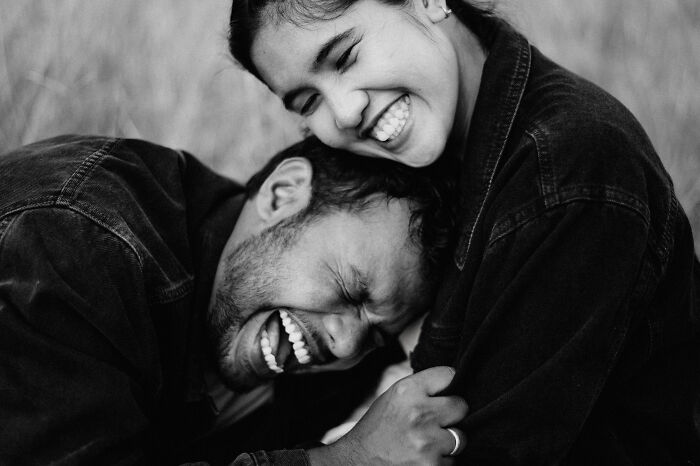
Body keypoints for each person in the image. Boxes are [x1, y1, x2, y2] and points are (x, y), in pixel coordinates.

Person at [228, 0, 700, 463]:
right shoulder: (414, 170)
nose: (345, 113)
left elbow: (481, 449)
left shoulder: (568, 173)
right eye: (309, 101)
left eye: (346, 56)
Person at [0, 134, 468, 465]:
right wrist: (349, 460)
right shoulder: (71, 241)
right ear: (282, 196)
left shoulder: (317, 365)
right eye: (349, 289)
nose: (346, 345)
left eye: (376, 335)